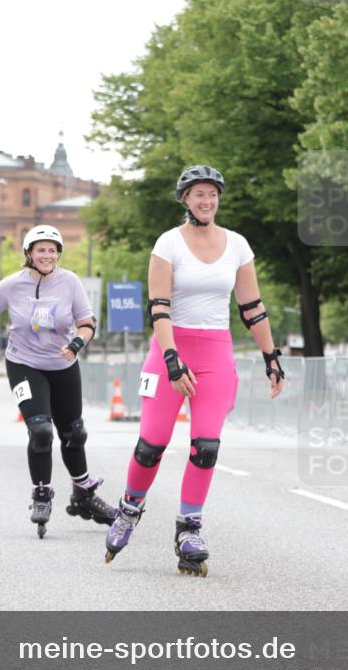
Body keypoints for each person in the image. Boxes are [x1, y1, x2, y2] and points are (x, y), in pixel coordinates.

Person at [105, 165, 285, 575]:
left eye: (212, 194)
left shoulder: (237, 244)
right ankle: (129, 507)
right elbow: (159, 308)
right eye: (198, 194)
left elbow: (252, 308)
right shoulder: (168, 244)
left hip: (215, 353)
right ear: (185, 198)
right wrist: (171, 359)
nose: (207, 201)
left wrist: (270, 357)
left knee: (206, 448)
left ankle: (189, 528)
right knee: (151, 445)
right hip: (170, 349)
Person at [0, 224, 115, 539]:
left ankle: (84, 494)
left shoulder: (70, 283)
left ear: (58, 254)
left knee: (74, 433)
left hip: (63, 364)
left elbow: (87, 323)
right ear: (29, 254)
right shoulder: (12, 285)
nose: (47, 255)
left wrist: (78, 343)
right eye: (41, 250)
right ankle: (41, 493)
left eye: (52, 250)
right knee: (40, 430)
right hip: (23, 364)